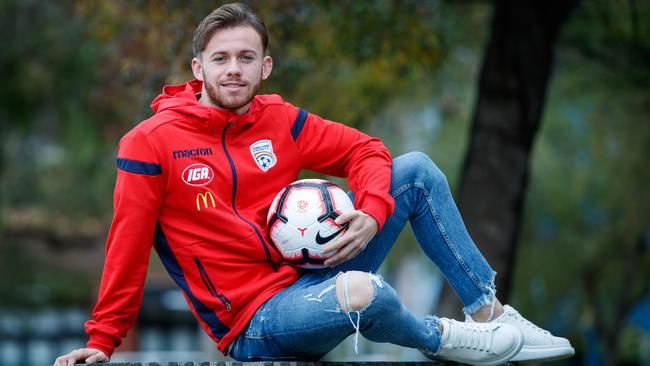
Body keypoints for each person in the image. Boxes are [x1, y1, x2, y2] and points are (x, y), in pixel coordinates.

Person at [54, 3, 574, 366]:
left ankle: (490, 312)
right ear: (198, 67)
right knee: (366, 293)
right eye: (221, 59)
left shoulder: (279, 121)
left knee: (414, 170)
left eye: (246, 58)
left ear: (265, 67)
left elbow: (366, 149)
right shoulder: (149, 143)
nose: (233, 70)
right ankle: (445, 338)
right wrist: (104, 340)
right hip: (254, 321)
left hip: (311, 275)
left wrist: (371, 210)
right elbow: (127, 245)